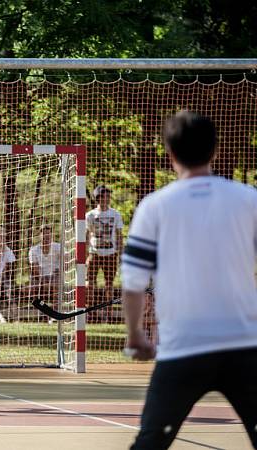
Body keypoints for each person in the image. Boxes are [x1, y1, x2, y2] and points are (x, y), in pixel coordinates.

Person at [121, 110, 257, 449]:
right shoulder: (248, 199)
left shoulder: (154, 207)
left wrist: (136, 335)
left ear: (170, 154)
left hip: (183, 347)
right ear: (216, 151)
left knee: (150, 441)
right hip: (244, 346)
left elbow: (134, 284)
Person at [86, 184, 124, 321]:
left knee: (109, 284)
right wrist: (85, 255)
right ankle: (91, 312)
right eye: (104, 196)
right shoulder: (90, 215)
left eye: (109, 196)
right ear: (98, 198)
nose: (107, 199)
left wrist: (121, 253)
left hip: (110, 253)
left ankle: (108, 313)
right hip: (94, 253)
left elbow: (119, 235)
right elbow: (86, 234)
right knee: (90, 282)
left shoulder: (115, 214)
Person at [28, 224, 63, 304]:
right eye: (44, 234)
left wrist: (59, 270)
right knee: (33, 284)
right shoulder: (33, 250)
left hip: (55, 275)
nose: (46, 237)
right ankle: (40, 308)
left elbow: (66, 262)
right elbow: (35, 269)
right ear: (40, 236)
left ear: (51, 235)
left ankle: (56, 308)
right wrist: (43, 280)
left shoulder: (58, 247)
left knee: (56, 282)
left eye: (48, 234)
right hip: (40, 276)